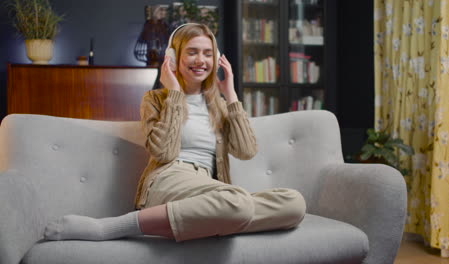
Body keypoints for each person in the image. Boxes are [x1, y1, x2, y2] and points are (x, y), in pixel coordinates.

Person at [43, 23, 306, 242]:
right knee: (237, 201)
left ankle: (205, 222)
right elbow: (163, 152)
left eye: (207, 53)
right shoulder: (155, 100)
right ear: (173, 57)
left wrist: (231, 95)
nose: (201, 60)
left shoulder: (220, 105)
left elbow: (246, 150)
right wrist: (176, 95)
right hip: (168, 179)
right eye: (192, 52)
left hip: (207, 187)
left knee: (294, 204)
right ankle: (110, 228)